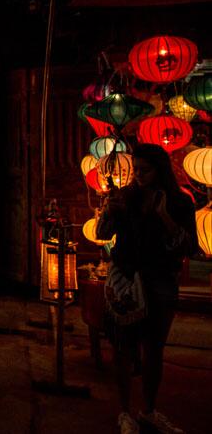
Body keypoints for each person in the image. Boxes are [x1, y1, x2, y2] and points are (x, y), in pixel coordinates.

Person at [97, 144, 198, 434]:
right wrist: (108, 211)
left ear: (160, 171)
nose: (138, 175)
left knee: (154, 348)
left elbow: (189, 246)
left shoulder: (179, 202)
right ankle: (125, 412)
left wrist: (164, 215)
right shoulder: (125, 198)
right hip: (126, 279)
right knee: (123, 348)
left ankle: (149, 410)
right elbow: (103, 235)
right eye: (136, 169)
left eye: (145, 170)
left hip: (161, 279)